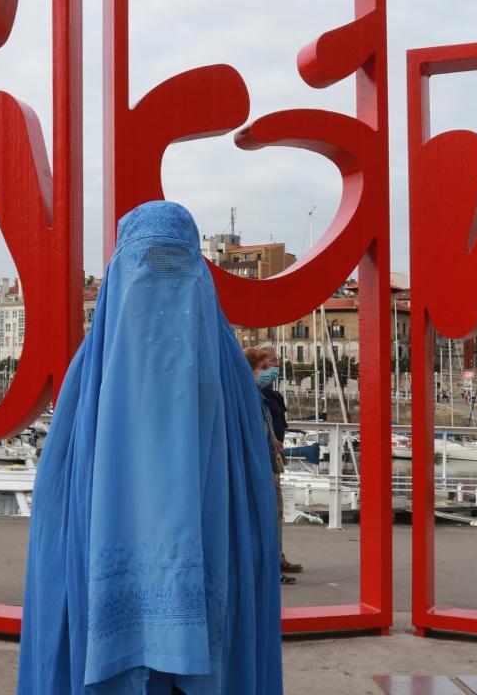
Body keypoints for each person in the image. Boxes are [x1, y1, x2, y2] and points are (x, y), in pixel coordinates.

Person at [17, 201, 283, 695]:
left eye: (176, 269)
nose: (161, 295)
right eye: (146, 269)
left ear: (201, 279)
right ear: (121, 278)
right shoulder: (89, 387)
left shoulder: (232, 386)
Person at [254, 342, 303, 576]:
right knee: (269, 511)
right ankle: (271, 560)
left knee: (276, 511)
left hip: (273, 459)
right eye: (270, 363)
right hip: (262, 463)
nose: (275, 368)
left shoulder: (271, 396)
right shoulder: (254, 396)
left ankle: (277, 555)